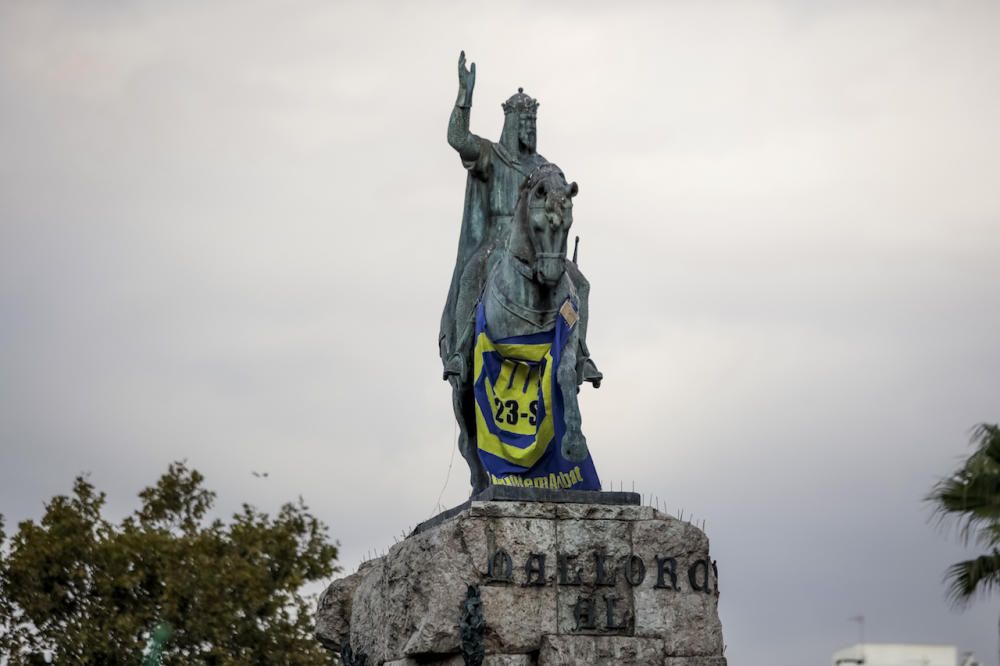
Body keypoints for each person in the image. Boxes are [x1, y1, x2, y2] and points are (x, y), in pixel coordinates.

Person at [440, 51, 601, 389]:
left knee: (581, 284)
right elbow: (457, 139)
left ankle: (582, 354)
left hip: (538, 249)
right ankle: (460, 351)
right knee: (471, 277)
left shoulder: (545, 168)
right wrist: (463, 100)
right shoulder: (491, 156)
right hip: (496, 246)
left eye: (533, 123)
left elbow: (560, 206)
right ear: (511, 124)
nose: (530, 129)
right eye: (524, 123)